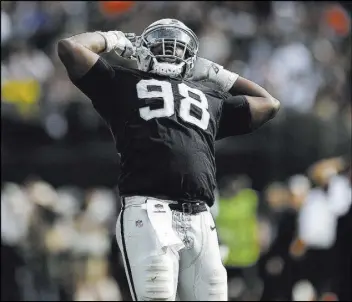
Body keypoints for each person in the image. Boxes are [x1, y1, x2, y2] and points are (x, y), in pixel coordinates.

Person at [58, 18, 280, 301]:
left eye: (176, 45)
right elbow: (70, 48)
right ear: (141, 48)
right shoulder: (123, 83)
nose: (170, 49)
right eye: (161, 42)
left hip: (200, 216)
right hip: (151, 211)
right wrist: (115, 39)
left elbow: (269, 104)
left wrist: (216, 74)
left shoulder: (207, 97)